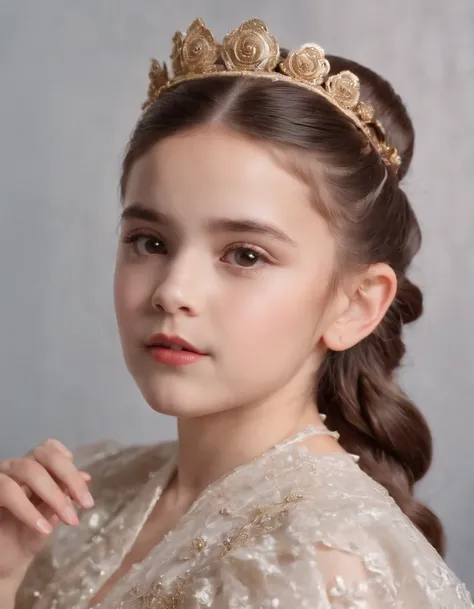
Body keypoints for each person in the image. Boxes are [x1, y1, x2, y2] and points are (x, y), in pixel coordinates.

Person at [0, 17, 472, 609]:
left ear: (356, 304)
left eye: (245, 254)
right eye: (150, 241)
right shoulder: (86, 493)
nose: (173, 291)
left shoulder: (322, 564)